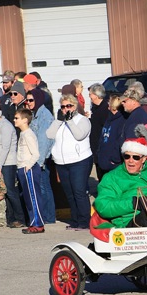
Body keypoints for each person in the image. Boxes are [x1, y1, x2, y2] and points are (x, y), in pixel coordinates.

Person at [93, 135, 147, 228]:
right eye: (127, 156)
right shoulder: (112, 177)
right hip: (131, 220)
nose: (130, 161)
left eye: (135, 157)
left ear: (144, 159)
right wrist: (133, 203)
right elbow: (103, 206)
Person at [48, 93, 92, 231]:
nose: (66, 109)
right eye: (63, 107)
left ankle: (85, 221)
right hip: (62, 162)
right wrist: (58, 121)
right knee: (69, 193)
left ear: (75, 106)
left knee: (79, 191)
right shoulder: (60, 121)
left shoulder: (82, 120)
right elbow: (49, 134)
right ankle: (75, 220)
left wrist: (70, 121)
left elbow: (79, 135)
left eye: (69, 106)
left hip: (79, 160)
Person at [26, 90, 56, 224]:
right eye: (27, 100)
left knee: (44, 187)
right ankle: (45, 215)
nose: (28, 103)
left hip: (41, 159)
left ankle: (49, 216)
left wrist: (39, 162)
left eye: (31, 100)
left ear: (38, 100)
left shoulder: (44, 116)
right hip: (36, 158)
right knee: (41, 187)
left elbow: (44, 141)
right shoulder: (35, 114)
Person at [13, 108, 44, 234]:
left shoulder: (28, 134)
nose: (14, 120)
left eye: (17, 118)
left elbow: (36, 154)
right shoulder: (23, 134)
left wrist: (28, 166)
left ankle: (38, 224)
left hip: (29, 168)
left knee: (33, 197)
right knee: (28, 197)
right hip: (22, 167)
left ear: (25, 120)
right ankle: (33, 222)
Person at [97, 95, 126, 175]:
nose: (108, 104)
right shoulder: (109, 119)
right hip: (103, 160)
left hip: (113, 164)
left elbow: (119, 141)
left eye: (109, 102)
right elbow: (102, 137)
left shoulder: (121, 121)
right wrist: (99, 153)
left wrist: (115, 159)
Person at [87, 83, 110, 178]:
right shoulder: (95, 107)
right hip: (95, 146)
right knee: (99, 172)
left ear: (96, 95)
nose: (89, 96)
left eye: (90, 94)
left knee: (104, 175)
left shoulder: (105, 109)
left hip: (102, 147)